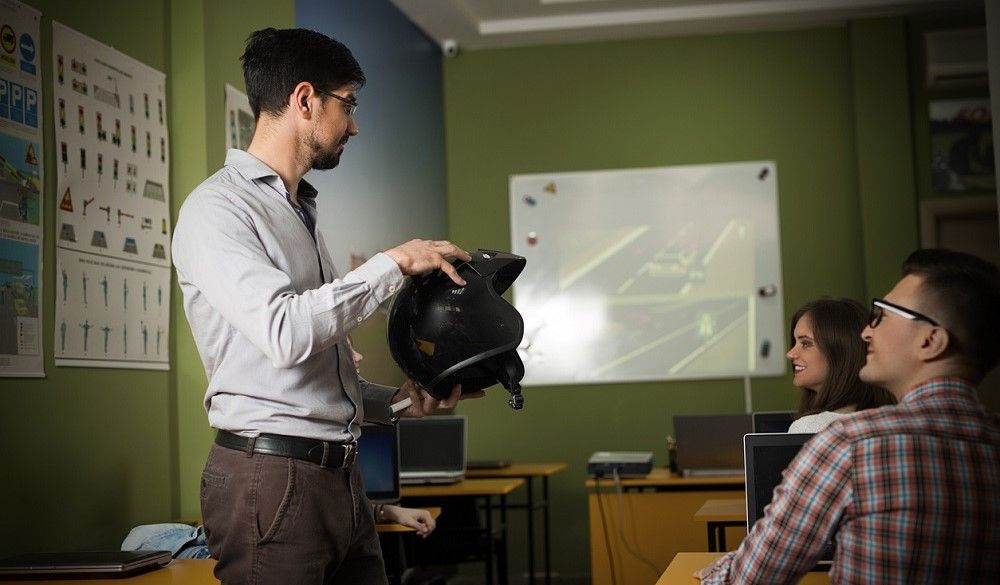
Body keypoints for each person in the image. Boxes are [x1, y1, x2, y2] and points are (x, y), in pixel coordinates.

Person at [172, 28, 478, 584]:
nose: (354, 125)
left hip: (339, 477)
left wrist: (404, 403)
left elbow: (314, 375)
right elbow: (285, 332)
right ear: (305, 99)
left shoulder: (299, 212)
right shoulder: (217, 210)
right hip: (273, 478)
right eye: (349, 104)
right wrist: (394, 263)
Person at [698, 249, 1000, 583]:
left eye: (883, 317)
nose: (867, 333)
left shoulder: (850, 445)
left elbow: (751, 577)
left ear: (931, 341)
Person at [785, 298, 894, 433]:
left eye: (806, 344)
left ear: (841, 351)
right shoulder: (893, 418)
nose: (790, 354)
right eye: (795, 343)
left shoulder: (809, 427)